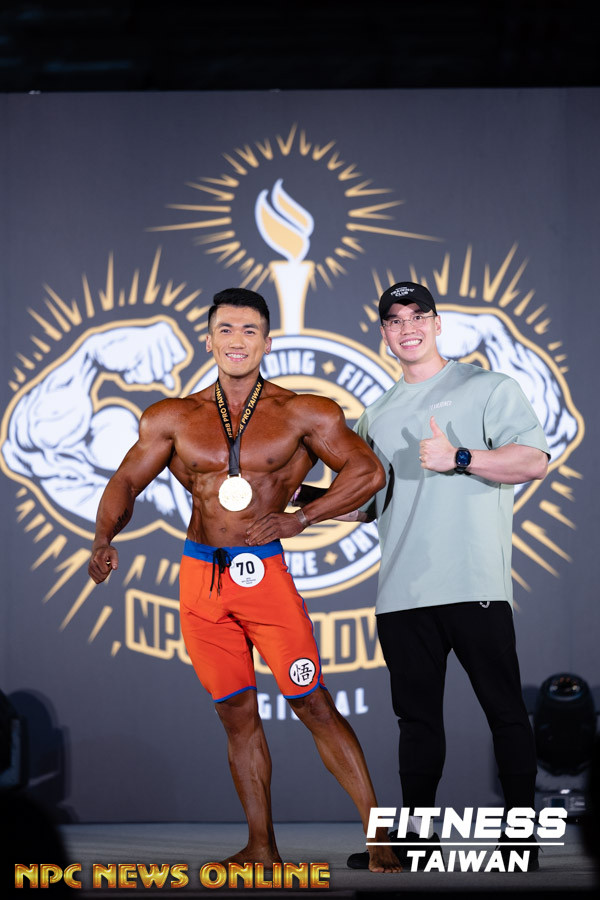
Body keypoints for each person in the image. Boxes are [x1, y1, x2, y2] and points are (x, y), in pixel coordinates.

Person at [88, 287, 401, 873]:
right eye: (226, 330)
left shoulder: (304, 412)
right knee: (236, 716)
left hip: (264, 579)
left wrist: (302, 516)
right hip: (200, 582)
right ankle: (261, 846)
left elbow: (368, 472)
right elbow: (126, 481)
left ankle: (381, 837)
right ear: (209, 340)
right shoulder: (172, 417)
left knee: (312, 703)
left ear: (267, 342)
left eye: (250, 330)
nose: (237, 340)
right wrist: (104, 537)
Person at [322, 281, 549, 871]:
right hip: (402, 594)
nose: (408, 328)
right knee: (416, 723)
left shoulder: (487, 387)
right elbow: (364, 504)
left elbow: (532, 461)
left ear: (438, 322)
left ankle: (520, 842)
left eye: (417, 315)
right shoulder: (377, 413)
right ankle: (418, 842)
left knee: (505, 713)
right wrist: (299, 505)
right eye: (395, 320)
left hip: (474, 585)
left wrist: (461, 457)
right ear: (383, 333)